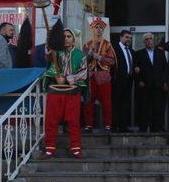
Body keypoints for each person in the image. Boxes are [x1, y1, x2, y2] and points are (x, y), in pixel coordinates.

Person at [41, 28, 87, 159]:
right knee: (51, 120)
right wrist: (56, 76)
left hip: (72, 92)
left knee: (73, 121)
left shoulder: (80, 54)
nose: (66, 38)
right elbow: (48, 59)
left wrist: (67, 78)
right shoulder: (56, 53)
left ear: (73, 39)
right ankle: (49, 149)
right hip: (56, 92)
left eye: (68, 36)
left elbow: (84, 73)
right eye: (64, 36)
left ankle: (76, 149)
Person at [82, 17, 116, 133]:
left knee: (106, 102)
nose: (99, 29)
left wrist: (99, 57)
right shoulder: (87, 44)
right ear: (92, 29)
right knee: (88, 101)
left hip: (103, 76)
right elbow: (82, 61)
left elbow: (112, 61)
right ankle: (88, 125)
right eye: (96, 27)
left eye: (101, 27)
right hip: (91, 75)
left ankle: (107, 125)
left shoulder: (108, 45)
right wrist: (90, 54)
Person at [135, 32, 168, 132]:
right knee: (144, 108)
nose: (149, 41)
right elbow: (136, 69)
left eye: (150, 39)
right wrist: (139, 81)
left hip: (158, 85)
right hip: (145, 85)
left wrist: (165, 82)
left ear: (153, 41)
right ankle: (143, 128)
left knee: (158, 108)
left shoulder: (160, 53)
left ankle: (157, 128)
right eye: (146, 39)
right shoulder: (139, 53)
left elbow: (165, 69)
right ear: (144, 42)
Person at [112, 30, 136, 132]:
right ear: (121, 37)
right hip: (117, 81)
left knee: (125, 104)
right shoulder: (114, 49)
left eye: (130, 38)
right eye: (126, 37)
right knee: (116, 103)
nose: (128, 39)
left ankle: (123, 126)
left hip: (128, 81)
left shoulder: (130, 50)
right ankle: (114, 126)